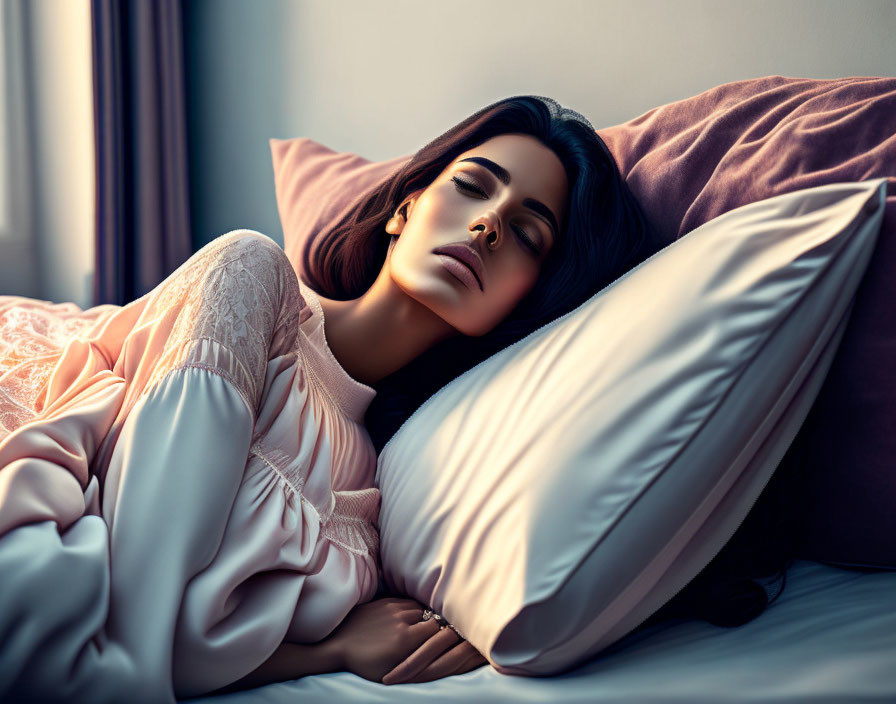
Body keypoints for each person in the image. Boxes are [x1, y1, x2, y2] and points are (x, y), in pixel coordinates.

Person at [0, 95, 659, 702]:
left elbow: (176, 637)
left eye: (528, 234)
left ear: (528, 298)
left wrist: (335, 649)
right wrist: (323, 650)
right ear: (405, 208)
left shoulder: (368, 499)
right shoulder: (252, 275)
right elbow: (131, 640)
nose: (488, 224)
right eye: (471, 186)